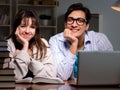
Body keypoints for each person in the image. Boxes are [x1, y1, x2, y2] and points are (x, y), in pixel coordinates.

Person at [49, 3, 113, 80]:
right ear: (65, 24)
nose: (74, 25)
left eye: (80, 21)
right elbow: (63, 76)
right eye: (70, 20)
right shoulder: (55, 40)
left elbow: (111, 70)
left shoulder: (99, 39)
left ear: (87, 26)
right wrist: (74, 43)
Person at [7, 9, 57, 80]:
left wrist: (28, 58)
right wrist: (25, 46)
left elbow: (51, 74)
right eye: (23, 26)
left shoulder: (42, 43)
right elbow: (15, 75)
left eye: (32, 27)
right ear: (16, 28)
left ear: (36, 29)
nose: (27, 31)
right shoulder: (8, 44)